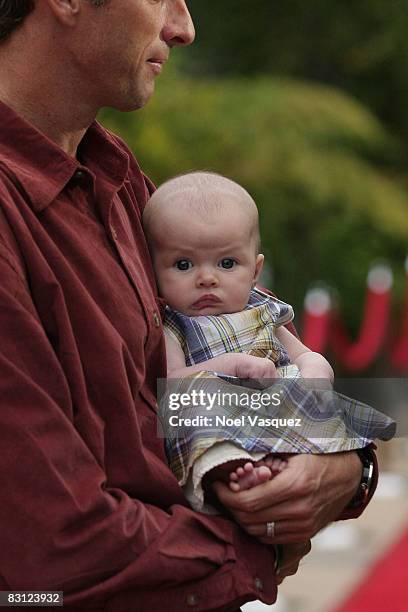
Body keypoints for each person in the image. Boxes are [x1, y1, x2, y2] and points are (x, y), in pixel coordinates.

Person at [0, 1, 378, 610]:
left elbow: (245, 328)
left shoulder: (114, 175)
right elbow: (51, 550)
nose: (183, 27)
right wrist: (261, 549)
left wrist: (343, 466)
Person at [142, 171, 394, 511]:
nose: (206, 278)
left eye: (227, 263)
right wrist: (231, 366)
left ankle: (287, 464)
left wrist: (315, 370)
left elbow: (305, 355)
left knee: (331, 419)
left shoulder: (262, 311)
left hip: (280, 414)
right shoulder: (174, 326)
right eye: (183, 264)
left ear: (255, 270)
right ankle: (238, 475)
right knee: (202, 433)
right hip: (220, 424)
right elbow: (171, 382)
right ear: (153, 271)